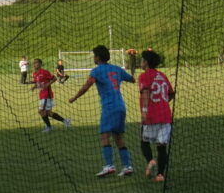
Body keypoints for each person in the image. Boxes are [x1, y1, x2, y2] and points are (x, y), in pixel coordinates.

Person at [68, 45, 134, 177]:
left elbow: (87, 86)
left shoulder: (96, 71)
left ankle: (109, 166)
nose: (93, 58)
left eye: (94, 56)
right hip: (120, 106)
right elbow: (132, 79)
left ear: (97, 57)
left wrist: (74, 97)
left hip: (109, 107)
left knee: (105, 136)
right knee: (118, 138)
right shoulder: (117, 69)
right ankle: (127, 166)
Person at [138, 49, 173, 183]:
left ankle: (150, 160)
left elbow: (146, 92)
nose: (141, 62)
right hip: (166, 115)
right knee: (162, 146)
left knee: (144, 141)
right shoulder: (162, 75)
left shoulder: (144, 76)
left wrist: (145, 110)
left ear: (146, 62)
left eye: (142, 60)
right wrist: (162, 103)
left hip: (152, 116)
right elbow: (171, 93)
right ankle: (160, 175)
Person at [30, 58, 71, 132]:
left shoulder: (45, 72)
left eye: (36, 63)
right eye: (34, 63)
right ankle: (65, 121)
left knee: (41, 111)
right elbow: (38, 83)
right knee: (48, 113)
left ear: (40, 64)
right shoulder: (34, 74)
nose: (34, 64)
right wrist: (34, 87)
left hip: (47, 95)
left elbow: (54, 78)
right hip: (41, 95)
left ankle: (49, 127)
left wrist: (48, 84)